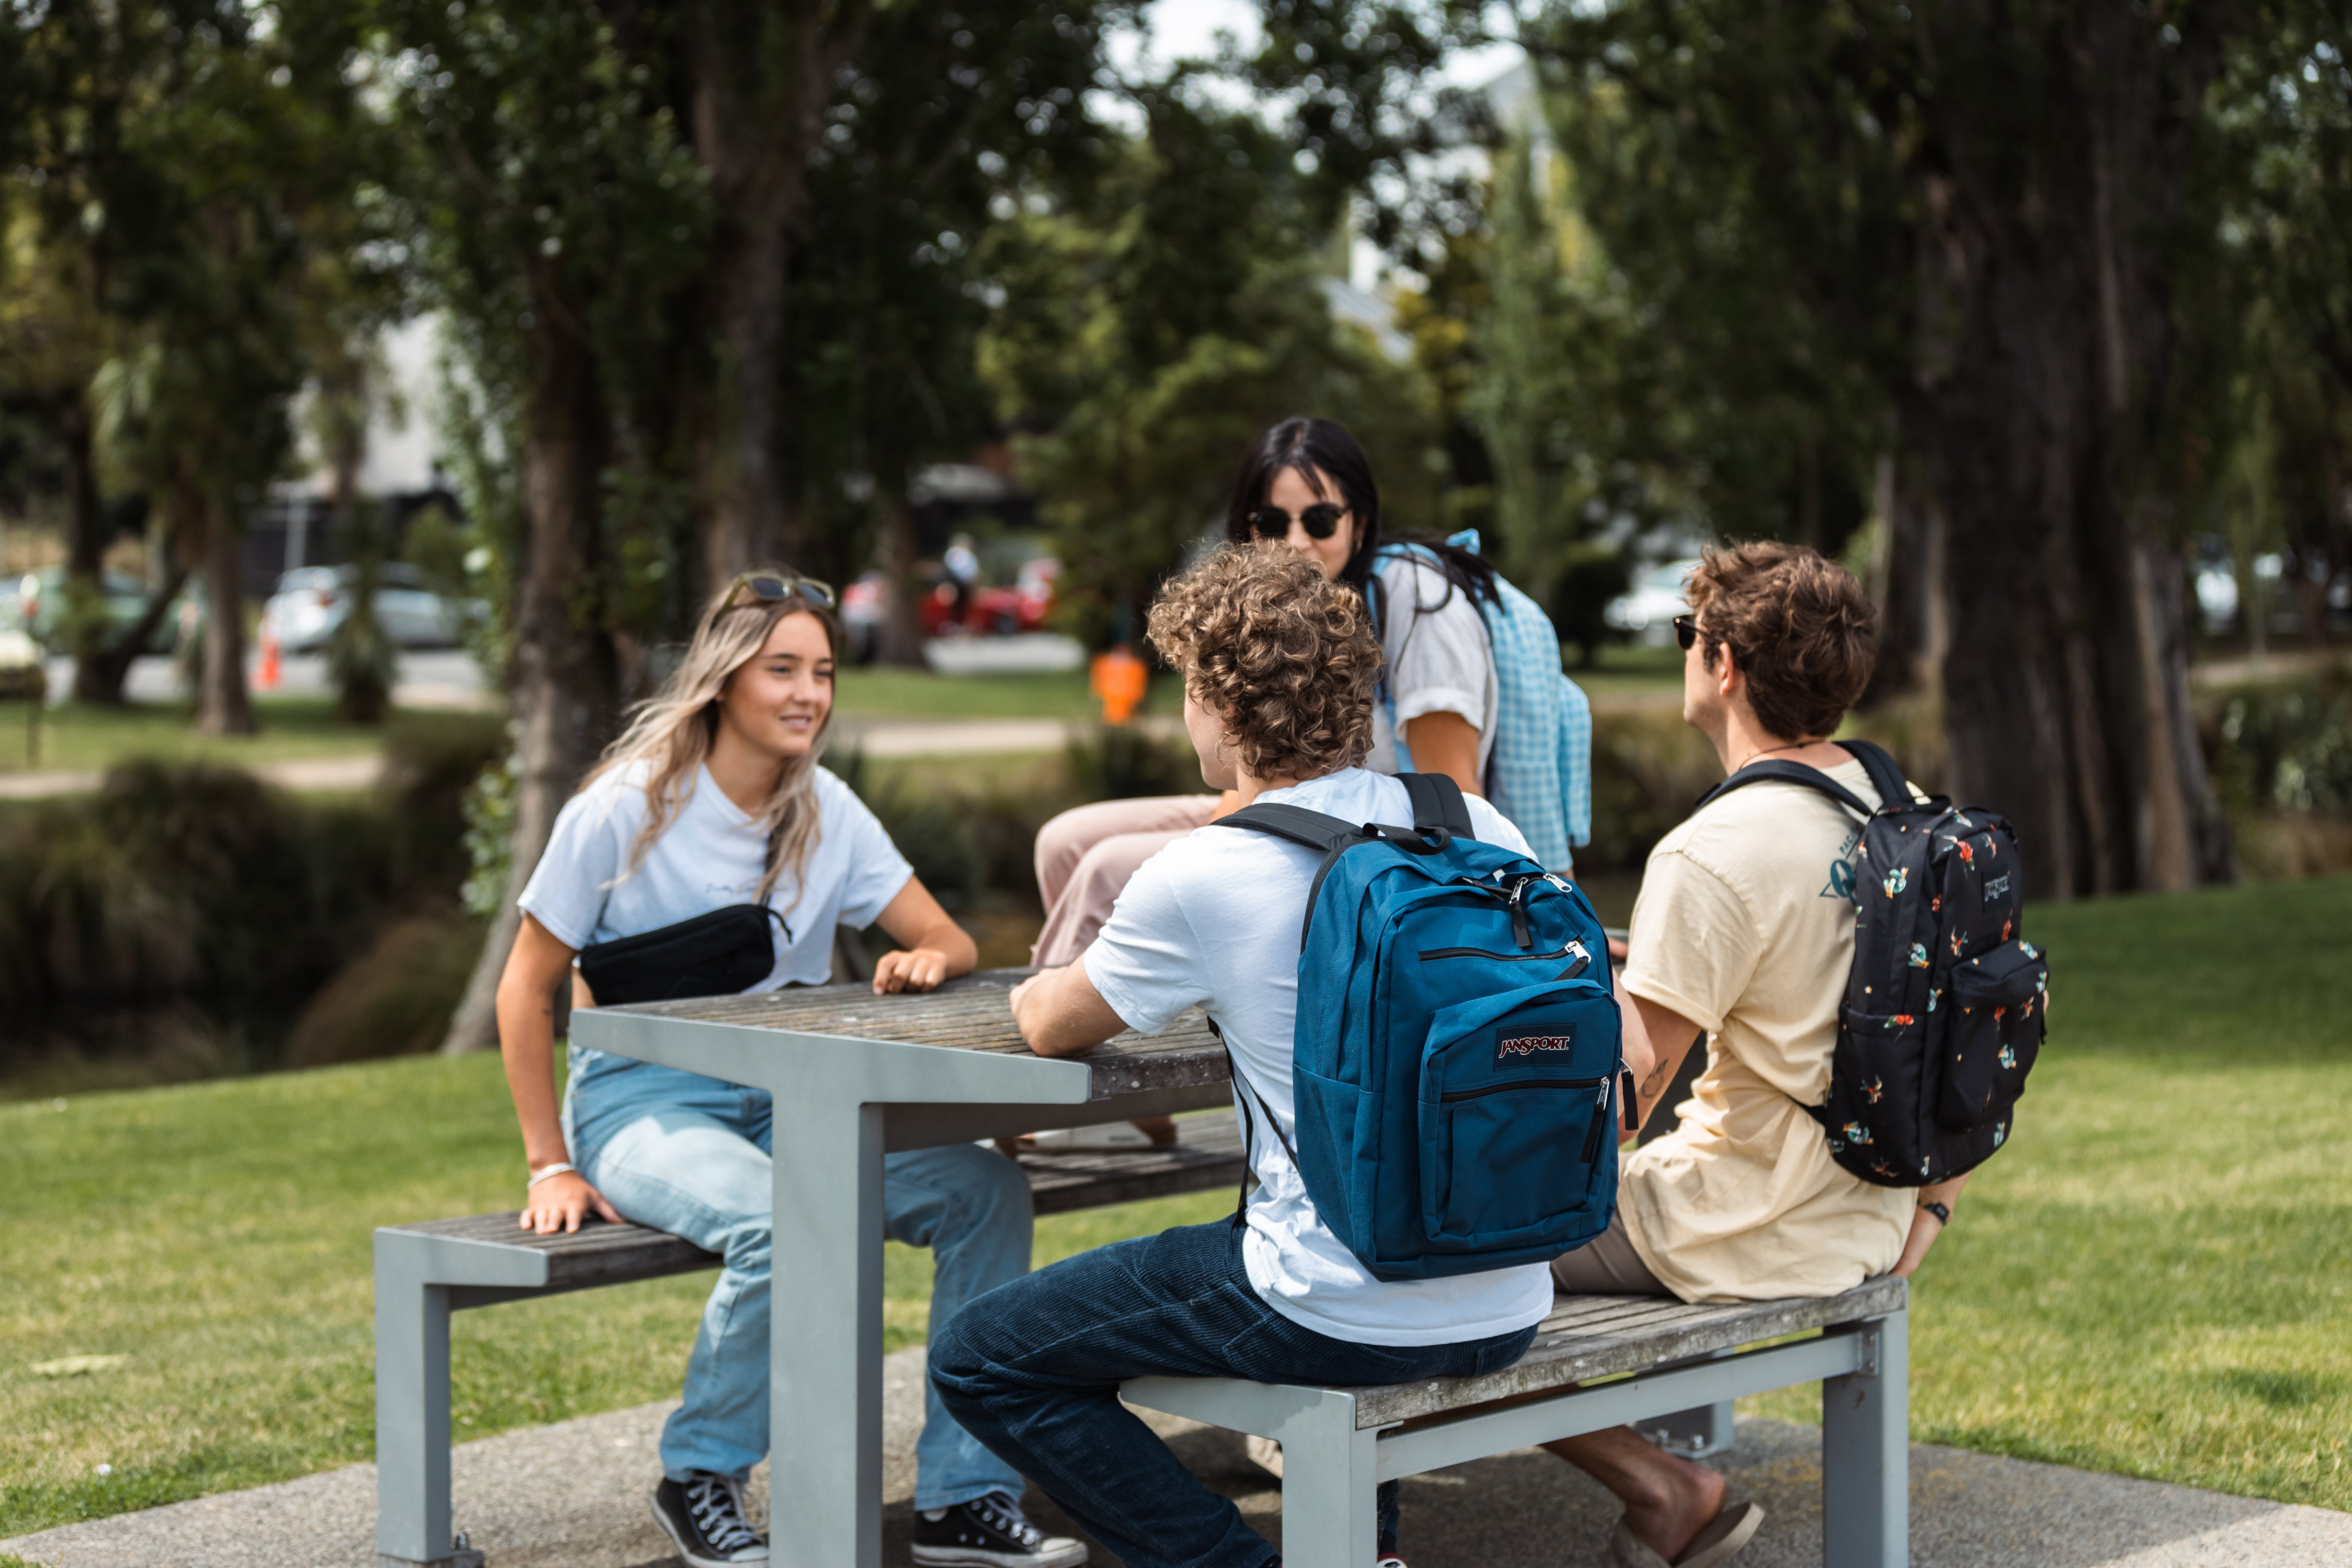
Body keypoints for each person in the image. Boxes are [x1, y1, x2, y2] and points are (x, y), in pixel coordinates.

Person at [928, 545, 1638, 1568]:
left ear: (1220, 702)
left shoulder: (1206, 871)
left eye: (1187, 688)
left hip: (1334, 1307)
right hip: (1510, 1290)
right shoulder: (1470, 822)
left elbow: (1049, 1022)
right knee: (1318, 1212)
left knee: (984, 1358)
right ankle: (1365, 1550)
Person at [493, 569, 1085, 1568]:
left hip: (796, 1104)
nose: (809, 691)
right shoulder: (622, 809)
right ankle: (701, 1474)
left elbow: (944, 934)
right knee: (779, 1219)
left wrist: (930, 957)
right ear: (726, 678)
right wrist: (549, 1162)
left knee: (987, 1189)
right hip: (642, 1103)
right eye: (782, 670)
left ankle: (960, 1494)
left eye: (823, 670)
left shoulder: (828, 811)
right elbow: (525, 990)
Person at [1540, 542, 1967, 1568]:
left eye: (1688, 636)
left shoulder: (1710, 852)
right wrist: (1935, 1204)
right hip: (1865, 1220)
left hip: (1733, 1221)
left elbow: (1627, 1090)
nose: (1685, 655)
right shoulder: (1893, 805)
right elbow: (1963, 1024)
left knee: (1401, 1265)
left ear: (1723, 664)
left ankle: (1665, 1487)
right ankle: (1664, 1489)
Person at [1029, 416, 1541, 969]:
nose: (1296, 541)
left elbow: (1457, 797)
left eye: (1320, 519)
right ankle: (1130, 1003)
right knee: (1063, 842)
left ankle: (1065, 1014)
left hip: (1362, 829)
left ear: (1360, 523)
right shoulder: (1293, 605)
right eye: (1272, 521)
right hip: (1275, 797)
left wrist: (1531, 908)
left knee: (1106, 869)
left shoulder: (1417, 601)